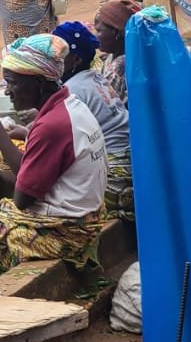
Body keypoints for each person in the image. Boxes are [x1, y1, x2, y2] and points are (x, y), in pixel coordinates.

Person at [0, 36, 106, 281]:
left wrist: (2, 171)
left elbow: (22, 199)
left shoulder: (52, 125)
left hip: (64, 232)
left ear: (38, 83)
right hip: (82, 216)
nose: (7, 90)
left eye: (12, 83)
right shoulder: (71, 105)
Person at [52, 22, 132, 219]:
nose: (52, 61)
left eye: (58, 57)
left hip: (116, 180)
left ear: (76, 59)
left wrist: (24, 133)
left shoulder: (72, 92)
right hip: (133, 167)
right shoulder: (95, 77)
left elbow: (60, 144)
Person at [92, 0, 140, 103]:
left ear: (117, 32)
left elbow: (105, 104)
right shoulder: (113, 57)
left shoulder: (121, 64)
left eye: (99, 31)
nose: (95, 36)